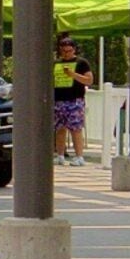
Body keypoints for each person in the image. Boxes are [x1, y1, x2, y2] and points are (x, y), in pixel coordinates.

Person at [52, 35, 92, 164]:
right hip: (58, 99)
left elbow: (89, 80)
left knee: (76, 128)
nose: (66, 53)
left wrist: (73, 75)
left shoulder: (81, 63)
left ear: (74, 50)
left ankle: (79, 156)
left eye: (69, 51)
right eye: (64, 51)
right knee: (59, 129)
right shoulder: (56, 63)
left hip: (75, 100)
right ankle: (60, 155)